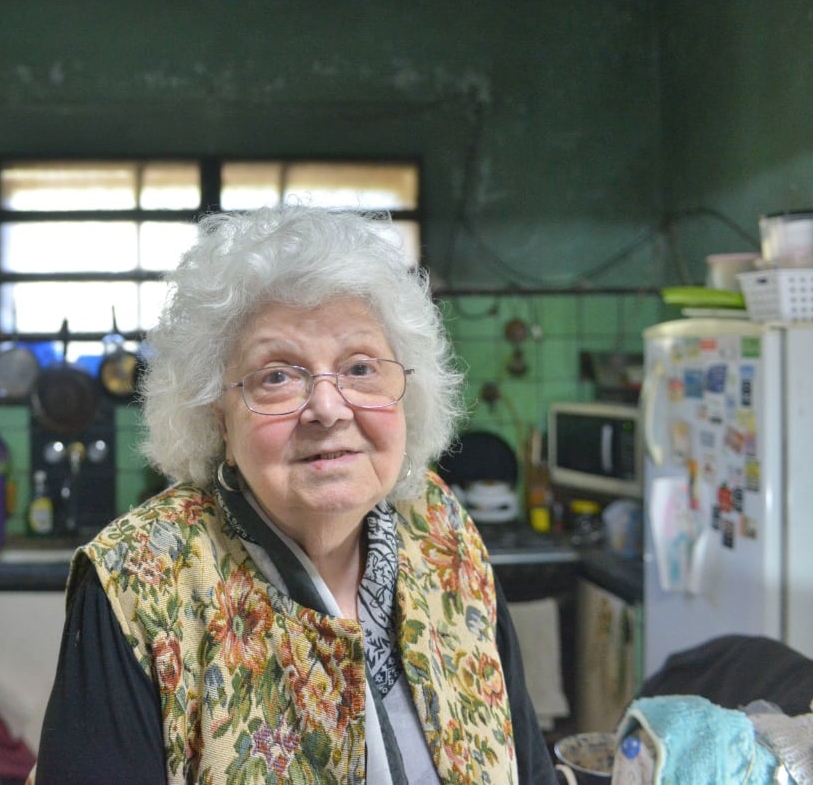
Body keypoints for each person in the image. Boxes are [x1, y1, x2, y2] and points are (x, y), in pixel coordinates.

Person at [36, 205, 555, 784]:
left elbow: (528, 767)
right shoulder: (139, 580)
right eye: (277, 376)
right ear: (220, 420)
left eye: (361, 367)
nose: (328, 409)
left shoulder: (439, 527)